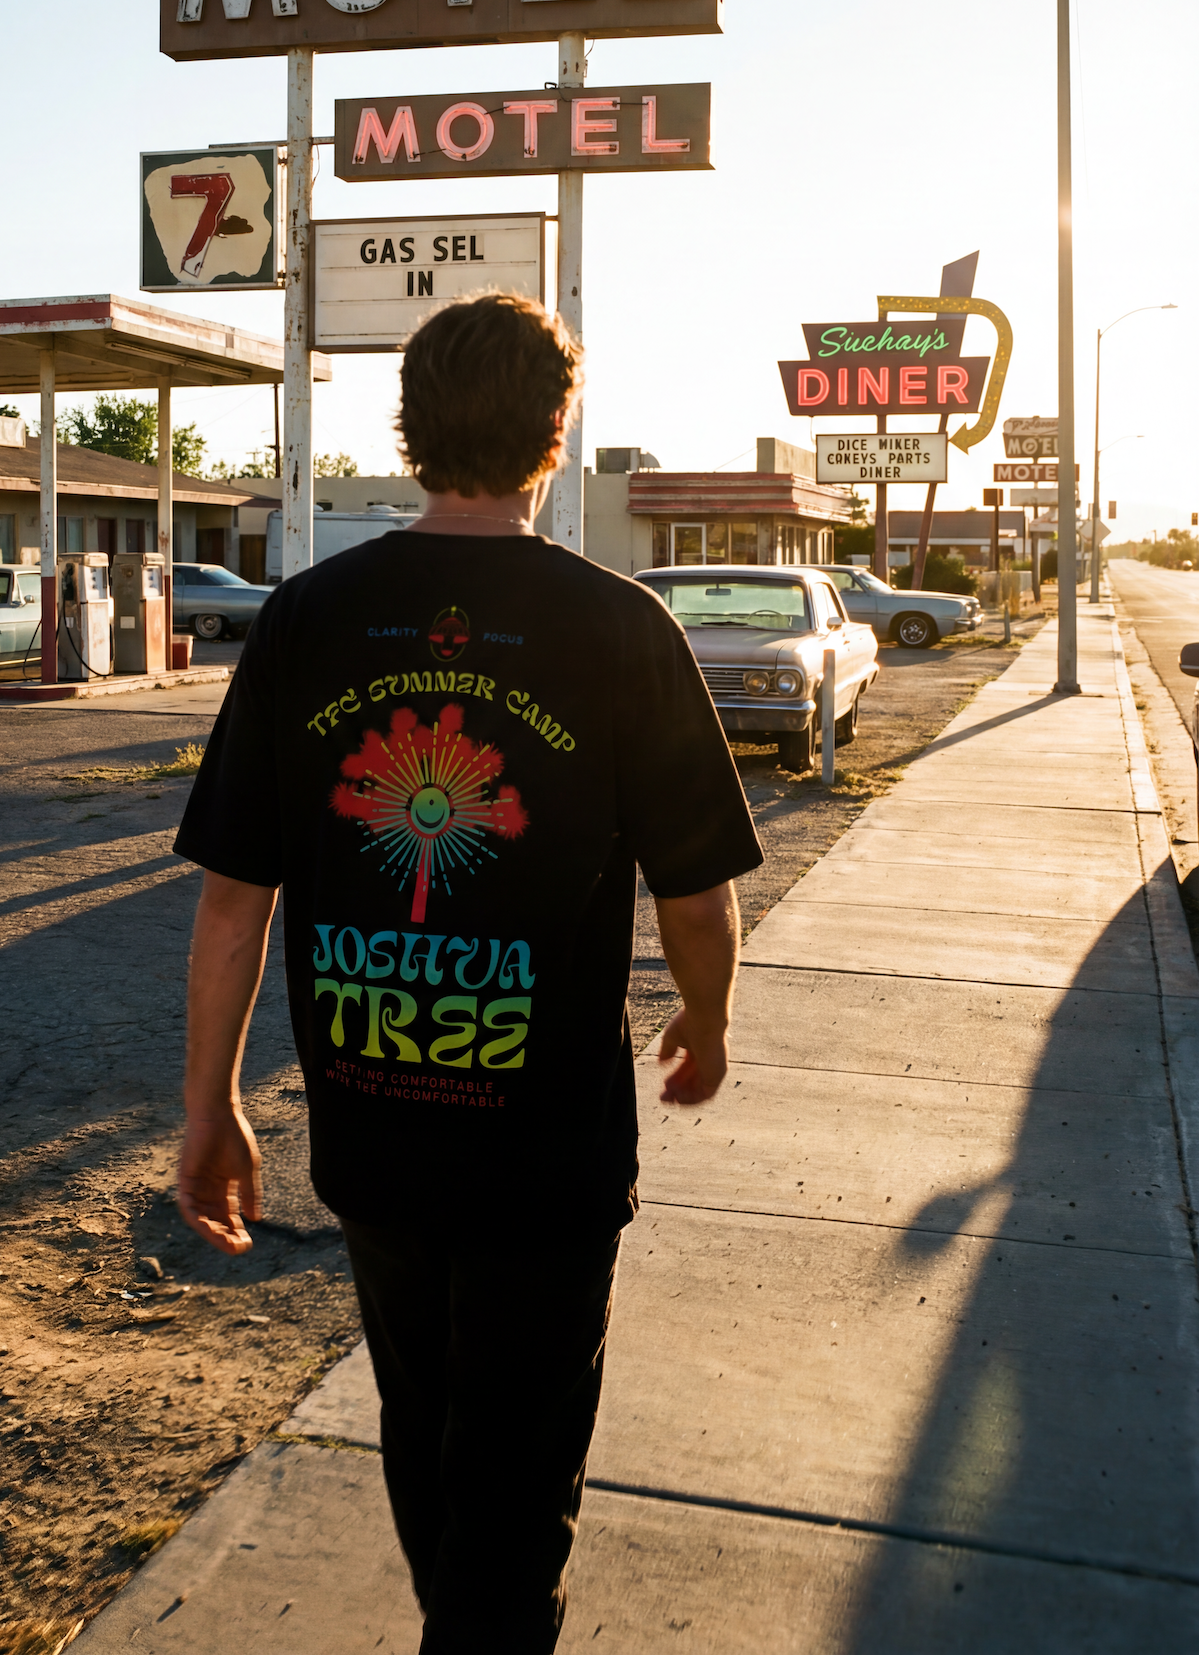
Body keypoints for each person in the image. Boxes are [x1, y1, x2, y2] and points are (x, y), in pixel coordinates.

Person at [172, 290, 762, 1653]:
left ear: (410, 424)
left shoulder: (308, 619)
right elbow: (695, 888)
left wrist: (211, 1106)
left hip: (376, 1135)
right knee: (516, 1477)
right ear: (557, 433)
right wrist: (709, 1021)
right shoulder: (623, 629)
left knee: (425, 1428)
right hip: (546, 1159)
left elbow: (230, 896)